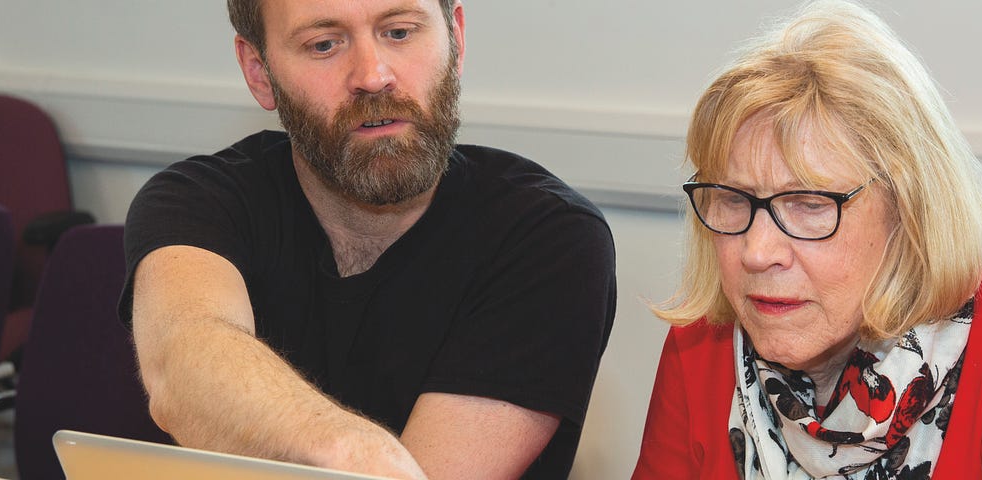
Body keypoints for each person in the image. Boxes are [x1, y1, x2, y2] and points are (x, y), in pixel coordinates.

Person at [120, 0, 617, 478]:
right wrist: (350, 448)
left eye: (399, 32)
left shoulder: (547, 236)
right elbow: (182, 361)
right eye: (324, 45)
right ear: (259, 70)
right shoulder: (197, 200)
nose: (373, 75)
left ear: (456, 39)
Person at [632, 1, 982, 478]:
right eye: (734, 199)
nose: (756, 252)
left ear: (907, 210)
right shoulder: (701, 345)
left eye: (809, 205)